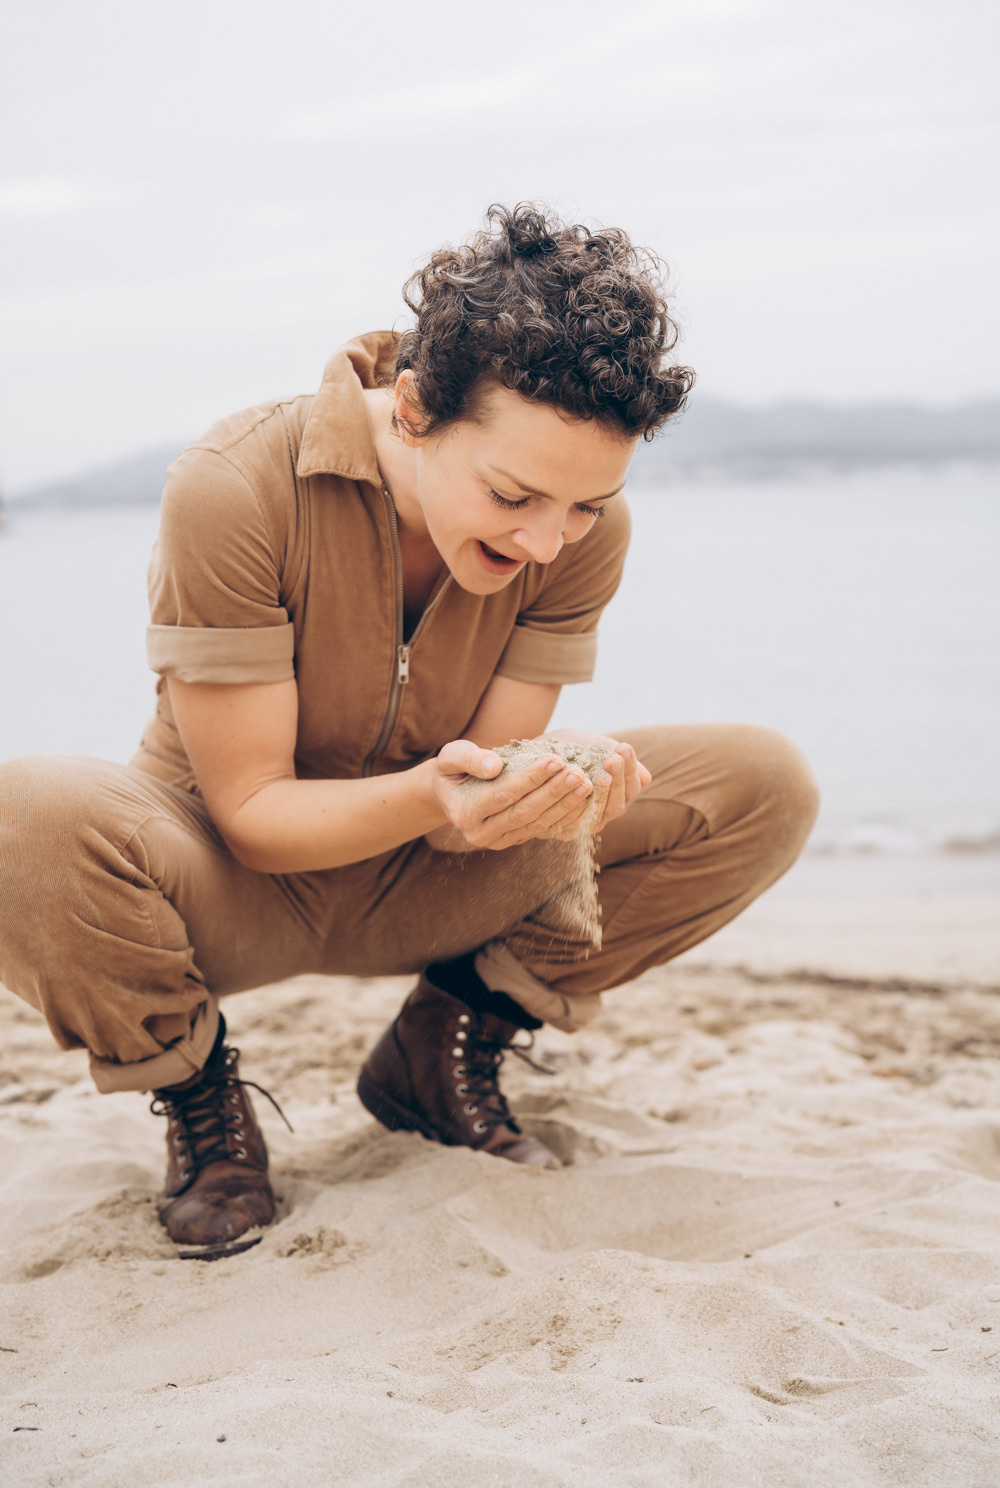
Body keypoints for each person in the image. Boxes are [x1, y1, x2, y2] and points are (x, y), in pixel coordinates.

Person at [0, 203, 819, 1257]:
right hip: (225, 876)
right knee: (24, 813)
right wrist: (442, 793)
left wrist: (529, 793)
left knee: (760, 781)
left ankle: (445, 1045)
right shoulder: (234, 481)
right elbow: (250, 815)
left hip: (429, 876)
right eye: (513, 494)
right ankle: (203, 1106)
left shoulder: (581, 532)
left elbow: (469, 803)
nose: (543, 541)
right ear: (418, 409)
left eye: (581, 506)